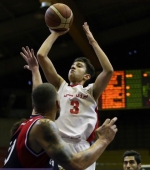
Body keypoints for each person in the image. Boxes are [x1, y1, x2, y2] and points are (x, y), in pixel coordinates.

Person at [36, 22, 114, 170]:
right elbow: (41, 55)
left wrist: (92, 41)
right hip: (58, 144)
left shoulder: (91, 91)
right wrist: (56, 33)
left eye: (79, 66)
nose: (73, 67)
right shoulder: (61, 85)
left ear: (87, 76)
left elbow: (108, 70)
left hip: (82, 147)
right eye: (73, 65)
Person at [3, 82, 118, 169]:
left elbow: (39, 94)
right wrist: (103, 140)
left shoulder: (24, 125)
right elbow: (76, 163)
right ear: (58, 104)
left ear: (34, 105)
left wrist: (35, 69)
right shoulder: (43, 125)